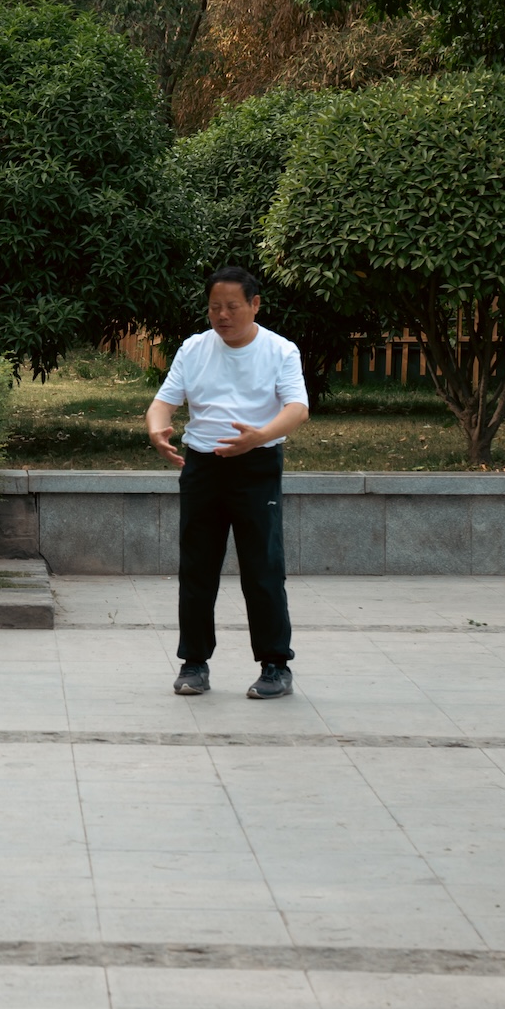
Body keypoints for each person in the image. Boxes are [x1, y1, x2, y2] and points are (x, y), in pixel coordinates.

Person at [145, 266, 309, 699]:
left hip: (256, 466)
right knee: (196, 568)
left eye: (232, 306)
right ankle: (193, 663)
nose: (222, 315)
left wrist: (260, 435)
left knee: (263, 568)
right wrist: (157, 430)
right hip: (202, 467)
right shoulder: (194, 348)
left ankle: (275, 666)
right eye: (215, 307)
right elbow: (163, 402)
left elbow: (298, 408)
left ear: (254, 305)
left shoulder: (280, 350)